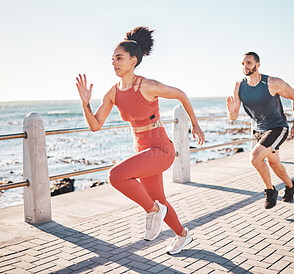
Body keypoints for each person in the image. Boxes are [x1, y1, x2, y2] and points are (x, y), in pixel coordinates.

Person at [76, 26, 205, 254]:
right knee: (159, 200)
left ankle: (153, 212)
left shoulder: (147, 86)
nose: (114, 62)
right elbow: (95, 125)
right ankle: (183, 236)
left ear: (133, 61)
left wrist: (195, 124)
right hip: (143, 152)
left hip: (161, 150)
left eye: (119, 58)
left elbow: (181, 94)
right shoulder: (113, 92)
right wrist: (85, 103)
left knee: (116, 176)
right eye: (112, 58)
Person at [226, 52, 294, 209]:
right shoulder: (239, 86)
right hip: (259, 130)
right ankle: (291, 185)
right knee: (273, 162)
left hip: (277, 128)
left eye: (248, 63)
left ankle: (270, 191)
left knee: (255, 157)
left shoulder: (272, 83)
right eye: (242, 64)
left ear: (257, 65)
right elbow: (233, 117)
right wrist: (231, 110)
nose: (245, 66)